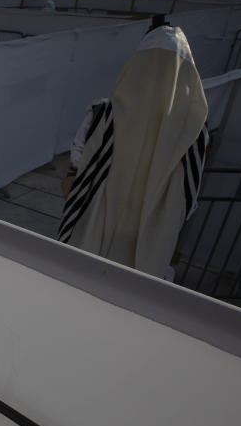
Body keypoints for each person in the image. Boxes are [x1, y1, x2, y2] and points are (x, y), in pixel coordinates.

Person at [59, 14, 209, 279]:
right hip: (147, 243)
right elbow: (188, 202)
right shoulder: (193, 134)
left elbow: (75, 172)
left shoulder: (102, 117)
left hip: (90, 232)